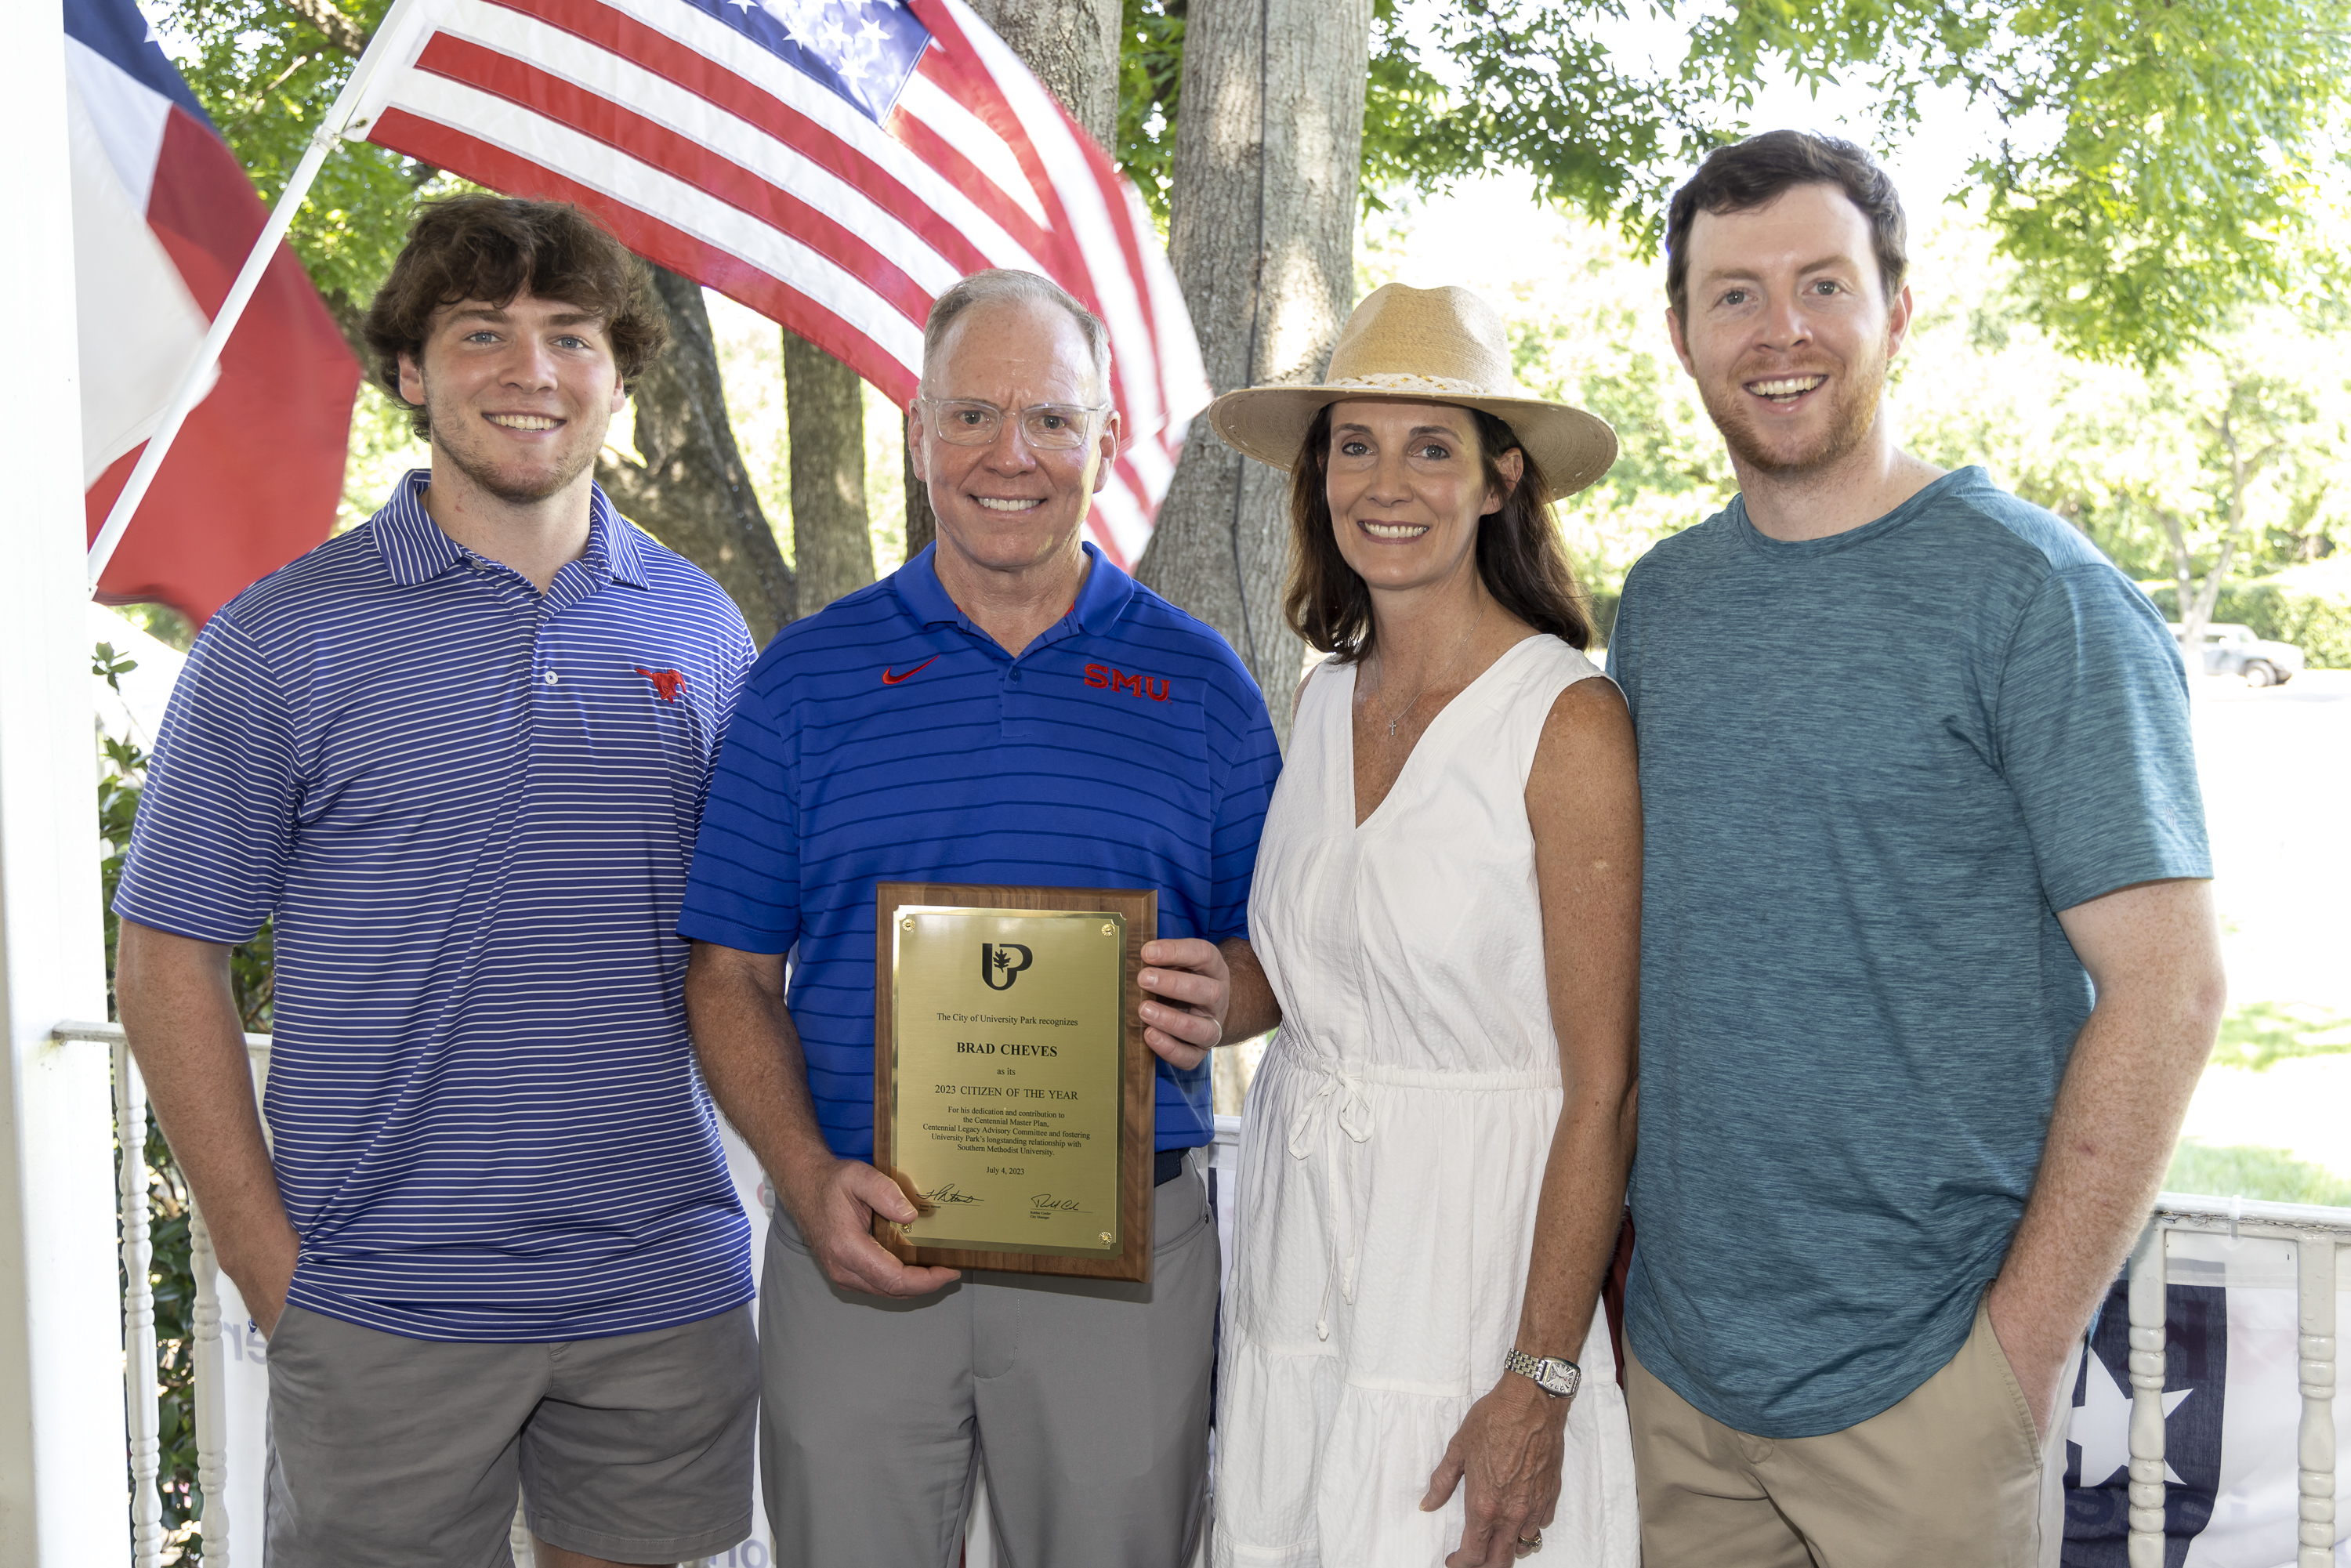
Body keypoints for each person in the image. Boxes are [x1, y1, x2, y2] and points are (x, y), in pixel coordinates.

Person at [111, 196, 761, 1568]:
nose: (532, 370)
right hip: (380, 1307)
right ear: (411, 370)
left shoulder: (700, 628)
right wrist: (269, 1269)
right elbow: (169, 953)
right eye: (483, 333)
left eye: (570, 335)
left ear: (618, 369)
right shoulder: (283, 639)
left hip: (658, 1294)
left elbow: (751, 950)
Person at [1608, 130, 2226, 1566]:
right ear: (1683, 332)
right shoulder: (1666, 604)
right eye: (1735, 294)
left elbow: (2172, 989)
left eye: (1823, 284)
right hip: (1687, 1379)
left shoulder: (2038, 597)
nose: (1782, 333)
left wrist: (2014, 1355)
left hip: (1930, 1388)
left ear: (1899, 306)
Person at [679, 267, 1284, 1568]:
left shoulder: (1203, 685)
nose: (1011, 456)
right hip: (861, 1236)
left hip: (1124, 1257)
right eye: (972, 416)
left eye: (1053, 421)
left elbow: (1282, 953)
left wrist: (1225, 995)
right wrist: (801, 1174)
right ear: (916, 429)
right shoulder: (805, 680)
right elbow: (726, 973)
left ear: (1107, 441)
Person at [1204, 281, 1643, 1568]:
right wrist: (1176, 991)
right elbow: (1306, 976)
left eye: (1430, 446)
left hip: (1473, 1262)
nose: (1385, 482)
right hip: (1302, 1251)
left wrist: (1540, 1377)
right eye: (1354, 443)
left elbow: (1604, 1091)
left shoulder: (1565, 722)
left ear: (1501, 482)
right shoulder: (1324, 698)